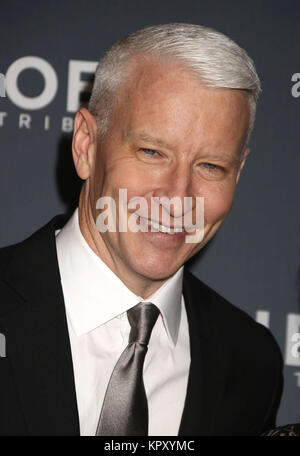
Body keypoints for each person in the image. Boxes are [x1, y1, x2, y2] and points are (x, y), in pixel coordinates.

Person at [0, 23, 283, 436]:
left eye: (211, 166)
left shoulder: (251, 363)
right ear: (86, 146)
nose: (178, 196)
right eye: (151, 152)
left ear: (238, 173)